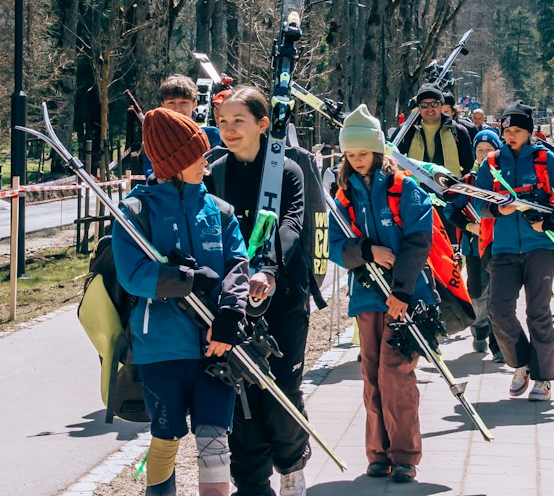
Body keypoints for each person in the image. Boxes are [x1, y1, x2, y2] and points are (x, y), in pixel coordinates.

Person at [112, 107, 249, 496]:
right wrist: (185, 281)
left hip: (215, 345)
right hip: (162, 347)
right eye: (197, 157)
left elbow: (237, 263)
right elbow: (133, 274)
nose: (205, 164)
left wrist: (229, 311)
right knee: (167, 437)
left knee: (214, 438)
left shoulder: (217, 210)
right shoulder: (135, 212)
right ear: (173, 165)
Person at [206, 86, 311, 496]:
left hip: (282, 296)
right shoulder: (215, 172)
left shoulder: (288, 170)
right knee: (241, 388)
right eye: (222, 122)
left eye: (238, 122)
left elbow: (291, 225)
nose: (228, 130)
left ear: (263, 124)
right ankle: (251, 482)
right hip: (234, 298)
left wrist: (267, 270)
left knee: (280, 387)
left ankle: (290, 464)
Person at [329, 105, 436, 484]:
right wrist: (366, 251)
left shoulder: (404, 188)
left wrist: (403, 292)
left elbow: (419, 240)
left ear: (378, 151)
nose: (357, 161)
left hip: (405, 296)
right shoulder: (341, 195)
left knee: (396, 372)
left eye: (363, 154)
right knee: (371, 374)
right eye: (351, 155)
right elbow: (334, 246)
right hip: (367, 297)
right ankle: (379, 453)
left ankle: (405, 455)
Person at [475, 101, 554, 403]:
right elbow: (476, 202)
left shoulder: (544, 160)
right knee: (498, 310)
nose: (511, 136)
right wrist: (496, 209)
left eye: (517, 131)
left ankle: (544, 378)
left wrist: (549, 222)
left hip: (540, 249)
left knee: (538, 313)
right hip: (503, 249)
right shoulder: (492, 164)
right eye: (507, 131)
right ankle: (521, 364)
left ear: (529, 132)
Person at [446, 128, 502, 360]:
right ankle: (480, 329)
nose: (483, 154)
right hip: (474, 247)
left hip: (501, 247)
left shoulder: (504, 180)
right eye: (479, 150)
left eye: (489, 150)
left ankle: (499, 344)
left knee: (500, 296)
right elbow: (451, 210)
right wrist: (470, 227)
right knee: (478, 293)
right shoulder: (468, 182)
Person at [396, 84, 474, 176]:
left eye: (434, 104)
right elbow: (395, 163)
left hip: (450, 188)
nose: (429, 109)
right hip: (415, 188)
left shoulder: (458, 132)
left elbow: (468, 168)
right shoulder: (405, 131)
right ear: (419, 107)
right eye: (424, 105)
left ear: (441, 105)